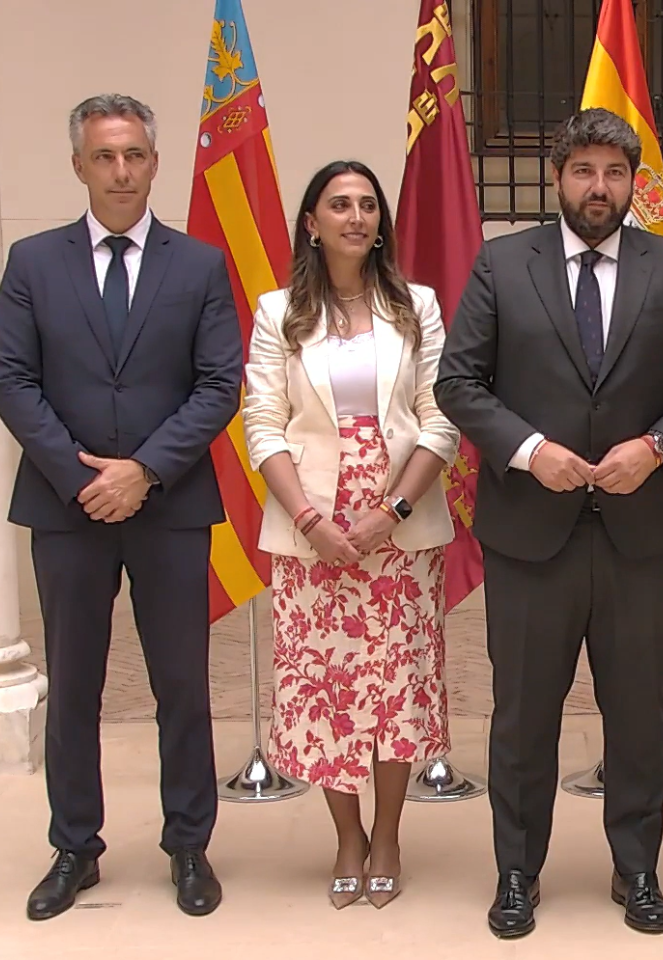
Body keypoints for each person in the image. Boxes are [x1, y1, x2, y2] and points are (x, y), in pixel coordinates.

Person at [435, 107, 663, 939]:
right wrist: (530, 450)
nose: (597, 187)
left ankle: (636, 867)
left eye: (613, 173)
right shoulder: (502, 264)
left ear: (633, 182)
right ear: (555, 178)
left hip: (641, 536)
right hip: (532, 533)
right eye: (582, 171)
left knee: (639, 710)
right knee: (524, 714)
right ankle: (517, 873)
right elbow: (459, 384)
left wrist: (659, 447)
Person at [0, 94, 241, 920]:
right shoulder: (33, 262)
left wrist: (144, 470)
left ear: (155, 162)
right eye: (105, 157)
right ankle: (74, 847)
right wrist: (80, 475)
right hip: (68, 512)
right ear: (79, 166)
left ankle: (189, 846)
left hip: (169, 509)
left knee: (181, 685)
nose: (121, 171)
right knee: (77, 684)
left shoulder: (199, 264)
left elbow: (218, 385)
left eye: (134, 155)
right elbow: (11, 380)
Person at [241, 160, 460, 910]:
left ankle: (391, 833)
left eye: (368, 205)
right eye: (340, 204)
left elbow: (441, 418)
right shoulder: (279, 314)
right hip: (312, 526)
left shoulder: (416, 307)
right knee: (328, 684)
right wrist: (310, 519)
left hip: (399, 523)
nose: (357, 217)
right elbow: (261, 423)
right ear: (312, 222)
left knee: (395, 683)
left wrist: (388, 512)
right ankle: (347, 836)